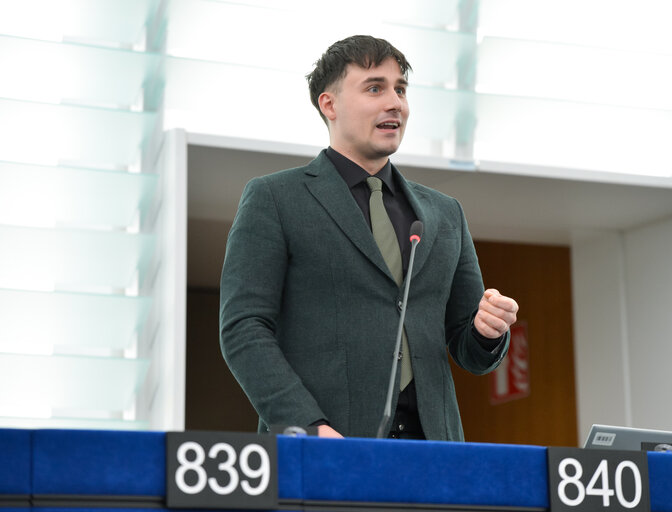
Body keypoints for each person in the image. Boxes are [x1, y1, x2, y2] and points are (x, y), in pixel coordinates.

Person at [219, 35, 518, 441]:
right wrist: (307, 425)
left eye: (401, 89)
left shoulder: (445, 214)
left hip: (434, 451)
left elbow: (468, 348)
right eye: (375, 88)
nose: (394, 102)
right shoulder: (275, 198)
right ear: (330, 105)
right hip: (325, 445)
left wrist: (488, 331)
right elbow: (243, 328)